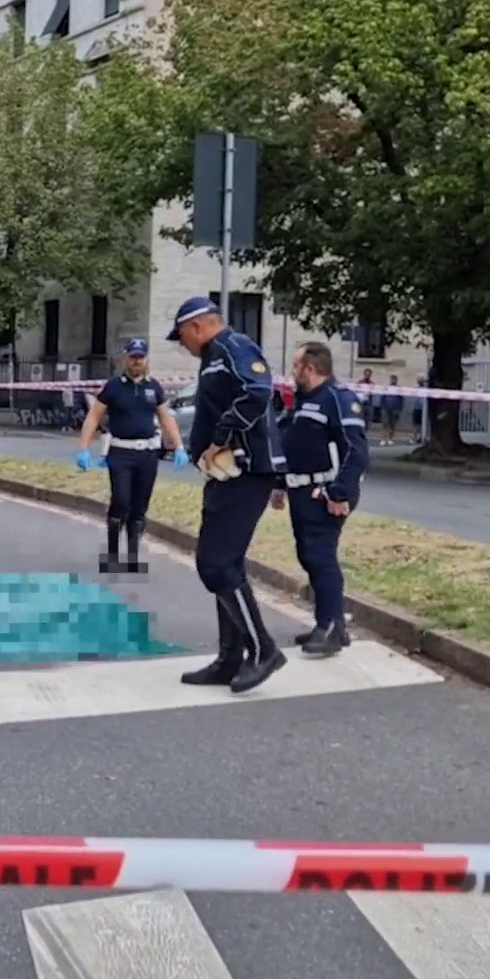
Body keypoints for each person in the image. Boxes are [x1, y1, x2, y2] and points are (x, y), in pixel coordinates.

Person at [166, 295, 287, 694]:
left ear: (197, 326)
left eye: (181, 336)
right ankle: (229, 659)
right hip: (225, 473)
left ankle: (263, 649)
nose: (181, 344)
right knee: (225, 565)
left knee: (216, 565)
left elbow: (258, 389)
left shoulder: (235, 346)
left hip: (246, 469)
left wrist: (223, 436)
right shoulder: (213, 356)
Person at [271, 342, 368, 656]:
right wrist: (280, 485)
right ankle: (327, 622)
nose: (292, 371)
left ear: (310, 368)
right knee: (309, 555)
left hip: (325, 493)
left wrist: (339, 492)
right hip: (300, 490)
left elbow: (356, 451)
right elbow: (293, 444)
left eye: (296, 365)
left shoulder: (337, 400)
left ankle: (332, 628)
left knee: (321, 556)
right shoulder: (302, 400)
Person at [73, 339, 189, 573]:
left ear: (146, 359)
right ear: (125, 358)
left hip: (147, 453)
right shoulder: (113, 387)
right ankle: (113, 555)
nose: (137, 361)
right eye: (133, 357)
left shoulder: (153, 387)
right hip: (121, 452)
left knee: (139, 506)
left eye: (141, 357)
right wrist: (84, 447)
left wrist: (179, 447)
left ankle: (133, 555)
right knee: (121, 500)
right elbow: (94, 416)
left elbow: (166, 418)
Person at [379, 374, 404, 445]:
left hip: (395, 409)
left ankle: (390, 438)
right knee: (384, 423)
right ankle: (383, 439)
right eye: (392, 379)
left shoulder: (399, 389)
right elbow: (382, 397)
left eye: (394, 379)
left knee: (393, 424)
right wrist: (382, 406)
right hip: (385, 408)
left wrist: (400, 408)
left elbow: (401, 399)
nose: (393, 381)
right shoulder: (387, 388)